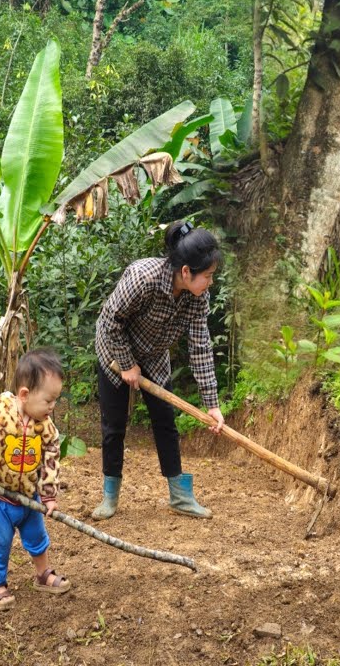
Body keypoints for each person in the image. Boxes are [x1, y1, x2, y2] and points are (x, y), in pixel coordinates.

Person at [90, 222, 226, 521]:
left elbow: (200, 346)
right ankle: (109, 496)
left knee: (165, 421)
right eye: (208, 276)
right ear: (187, 271)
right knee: (114, 426)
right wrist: (126, 364)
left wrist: (212, 404)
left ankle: (179, 495)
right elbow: (111, 321)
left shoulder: (197, 296)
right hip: (115, 349)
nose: (210, 283)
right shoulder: (143, 277)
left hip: (153, 355)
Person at [0, 349, 72, 609]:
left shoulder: (45, 428)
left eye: (55, 400)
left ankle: (43, 574)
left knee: (37, 537)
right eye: (48, 401)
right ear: (24, 395)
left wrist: (48, 494)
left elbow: (50, 460)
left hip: (28, 498)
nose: (52, 406)